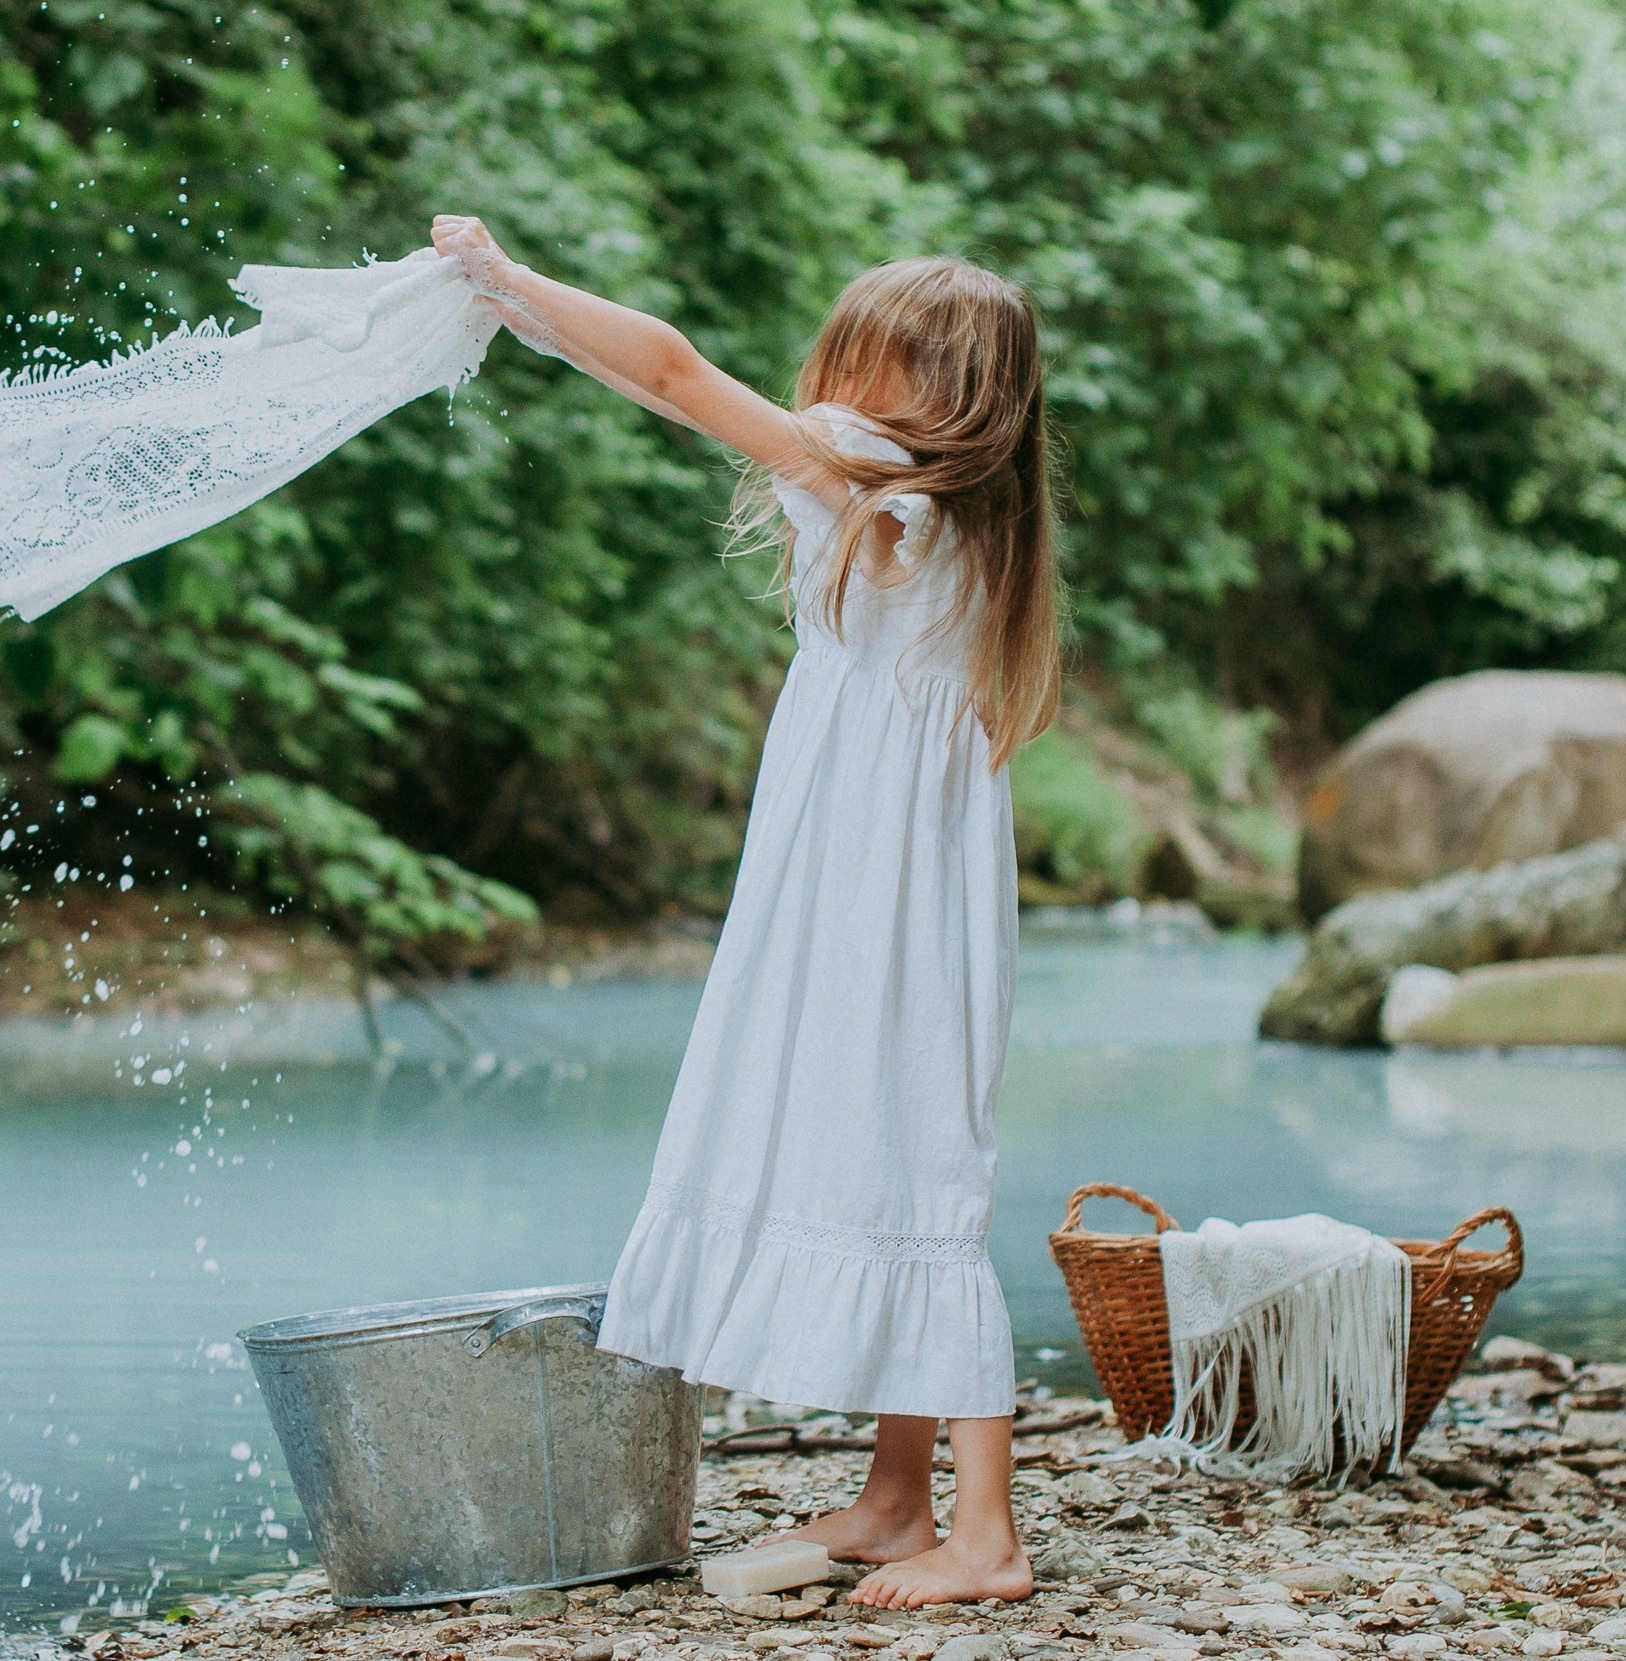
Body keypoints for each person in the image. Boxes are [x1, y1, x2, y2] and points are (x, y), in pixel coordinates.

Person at [429, 215, 1060, 1609]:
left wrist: (511, 278)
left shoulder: (887, 494)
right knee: (891, 1143)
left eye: (867, 357)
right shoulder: (940, 503)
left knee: (920, 1160)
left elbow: (674, 371)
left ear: (937, 394)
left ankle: (988, 1536)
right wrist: (525, 317)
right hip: (872, 879)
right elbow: (665, 386)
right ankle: (899, 1498)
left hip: (885, 896)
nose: (833, 380)